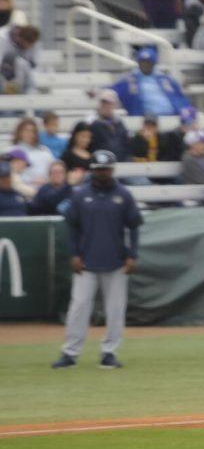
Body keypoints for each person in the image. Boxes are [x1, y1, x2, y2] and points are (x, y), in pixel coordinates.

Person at [51, 150, 142, 370]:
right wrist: (75, 253)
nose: (103, 173)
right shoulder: (81, 195)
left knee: (115, 309)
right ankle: (71, 352)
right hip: (87, 261)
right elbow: (72, 227)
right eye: (99, 169)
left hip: (116, 261)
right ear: (93, 170)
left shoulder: (123, 194)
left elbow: (134, 226)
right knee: (79, 307)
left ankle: (109, 352)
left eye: (106, 169)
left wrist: (132, 254)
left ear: (112, 170)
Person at [111, 46, 191, 117]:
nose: (145, 65)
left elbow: (180, 98)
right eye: (142, 61)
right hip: (146, 120)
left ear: (153, 63)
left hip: (172, 116)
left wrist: (185, 111)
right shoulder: (130, 80)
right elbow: (112, 90)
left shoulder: (165, 79)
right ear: (138, 63)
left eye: (148, 62)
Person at [87, 90, 132, 161]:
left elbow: (126, 145)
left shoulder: (119, 123)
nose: (106, 106)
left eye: (109, 103)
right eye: (103, 103)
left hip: (120, 162)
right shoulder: (92, 123)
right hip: (101, 163)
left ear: (114, 105)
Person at [10, 118, 54, 185]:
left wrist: (46, 180)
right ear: (19, 132)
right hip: (21, 189)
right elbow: (10, 175)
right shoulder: (12, 151)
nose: (29, 134)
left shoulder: (45, 150)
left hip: (45, 188)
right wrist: (30, 181)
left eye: (33, 131)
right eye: (26, 130)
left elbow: (54, 170)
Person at [0, 25, 39, 94]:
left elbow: (33, 65)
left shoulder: (23, 63)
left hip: (20, 76)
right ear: (20, 38)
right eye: (27, 44)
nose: (29, 47)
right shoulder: (3, 38)